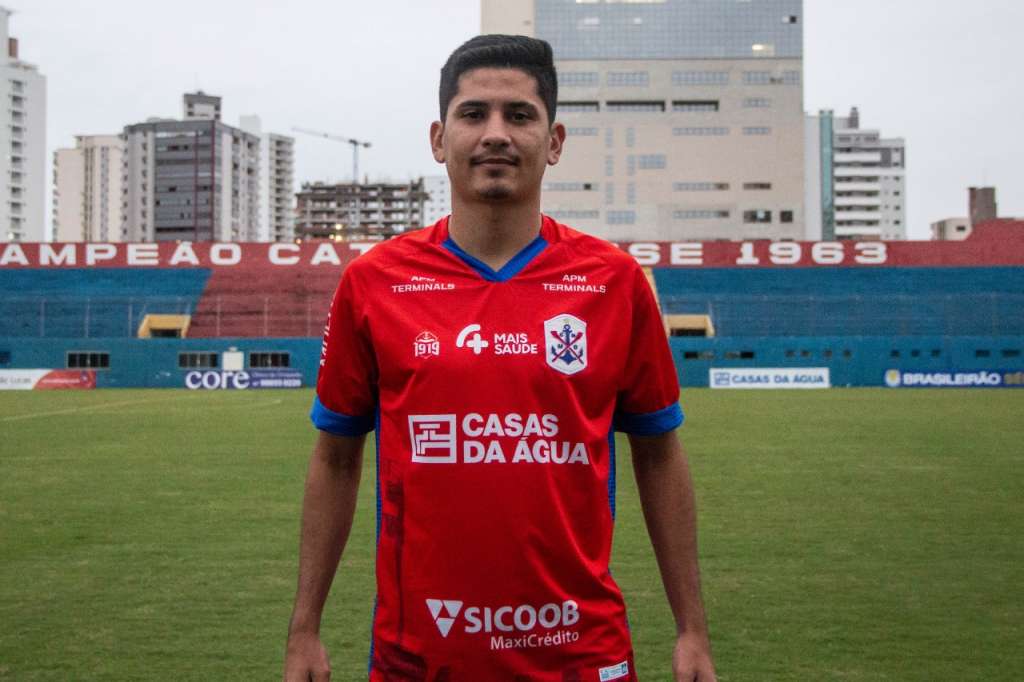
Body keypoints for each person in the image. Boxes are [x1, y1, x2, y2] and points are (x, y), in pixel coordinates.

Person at [284, 34, 717, 682]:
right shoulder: (374, 282)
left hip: (580, 655)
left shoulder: (615, 282)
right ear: (439, 139)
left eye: (519, 115)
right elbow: (335, 458)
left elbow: (659, 456)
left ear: (555, 141)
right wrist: (304, 629)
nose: (495, 134)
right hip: (420, 659)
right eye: (473, 114)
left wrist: (692, 630)